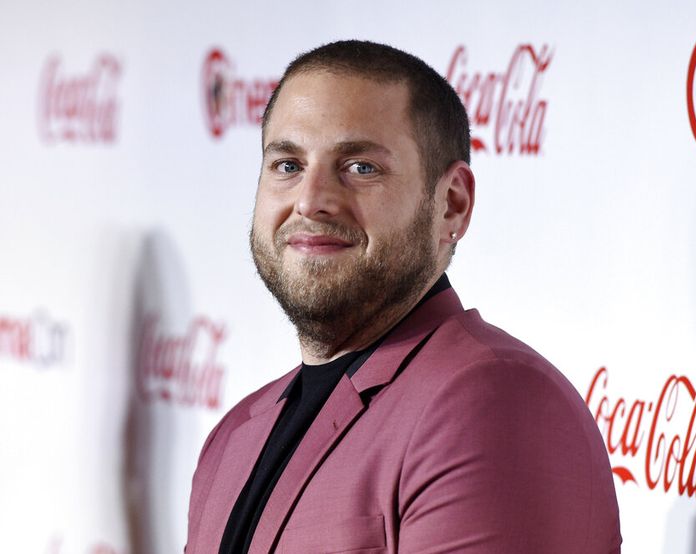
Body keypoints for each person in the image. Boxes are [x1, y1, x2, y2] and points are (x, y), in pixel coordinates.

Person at [185, 39, 621, 554]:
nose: (311, 200)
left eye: (360, 167)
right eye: (288, 165)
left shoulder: (493, 404)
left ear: (452, 205)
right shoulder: (234, 437)